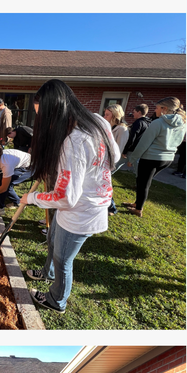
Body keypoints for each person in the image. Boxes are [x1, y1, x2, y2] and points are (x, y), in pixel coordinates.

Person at [21, 80, 120, 315]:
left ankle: (57, 300)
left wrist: (31, 198)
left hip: (80, 213)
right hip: (85, 204)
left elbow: (65, 199)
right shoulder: (98, 120)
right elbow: (114, 156)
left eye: (44, 116)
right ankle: (47, 273)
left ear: (57, 111)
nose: (44, 123)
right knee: (52, 240)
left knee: (63, 259)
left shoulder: (74, 142)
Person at [126, 97, 186, 217]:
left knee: (143, 183)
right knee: (143, 181)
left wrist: (132, 158)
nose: (155, 110)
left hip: (151, 158)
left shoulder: (158, 123)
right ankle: (137, 203)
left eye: (157, 108)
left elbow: (144, 143)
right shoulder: (183, 124)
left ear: (164, 109)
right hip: (167, 159)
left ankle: (138, 209)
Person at [0, 142, 33, 213]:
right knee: (4, 182)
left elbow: (4, 188)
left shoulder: (6, 163)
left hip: (29, 166)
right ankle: (18, 202)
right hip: (18, 163)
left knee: (5, 185)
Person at [104, 104, 129, 214]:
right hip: (103, 159)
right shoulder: (108, 126)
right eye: (105, 114)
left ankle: (112, 207)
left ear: (115, 115)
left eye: (107, 115)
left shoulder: (122, 129)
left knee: (105, 183)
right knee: (104, 183)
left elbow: (119, 148)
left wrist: (111, 163)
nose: (105, 117)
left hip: (110, 161)